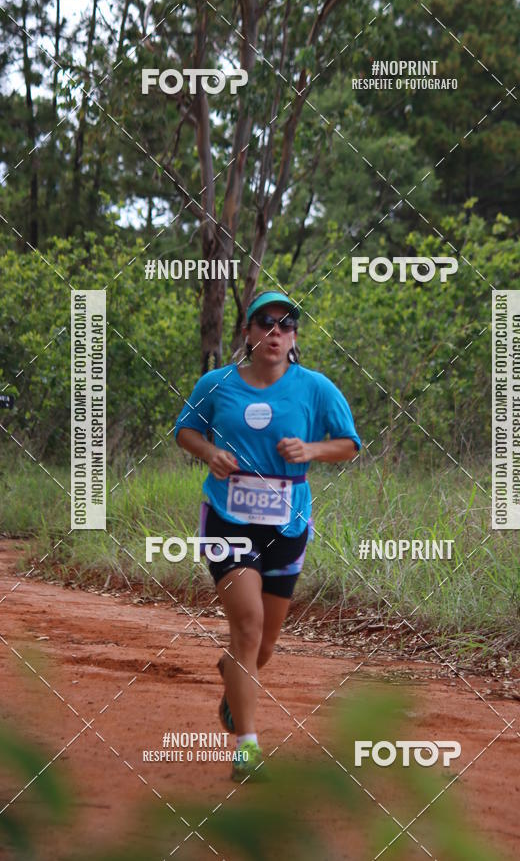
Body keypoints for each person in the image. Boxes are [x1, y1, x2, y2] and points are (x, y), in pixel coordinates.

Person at [174, 290, 361, 781]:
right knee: (248, 625)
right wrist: (209, 453)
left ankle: (234, 676)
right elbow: (185, 430)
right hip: (227, 517)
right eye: (265, 323)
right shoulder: (217, 384)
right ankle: (247, 749)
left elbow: (349, 445)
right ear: (249, 333)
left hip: (288, 522)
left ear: (294, 337)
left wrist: (311, 450)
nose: (276, 332)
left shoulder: (316, 388)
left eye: (286, 325)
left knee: (263, 647)